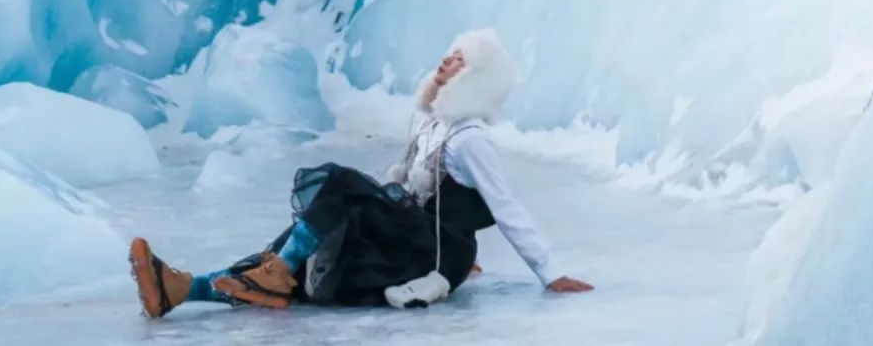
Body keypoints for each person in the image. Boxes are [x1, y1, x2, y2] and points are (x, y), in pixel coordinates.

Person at [129, 27, 594, 316]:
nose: (446, 61)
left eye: (460, 60)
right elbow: (418, 194)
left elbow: (504, 205)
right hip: (416, 238)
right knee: (308, 248)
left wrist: (548, 272)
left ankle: (267, 274)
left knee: (341, 184)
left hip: (435, 253)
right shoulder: (435, 125)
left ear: (476, 79)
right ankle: (183, 288)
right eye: (450, 53)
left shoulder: (471, 139)